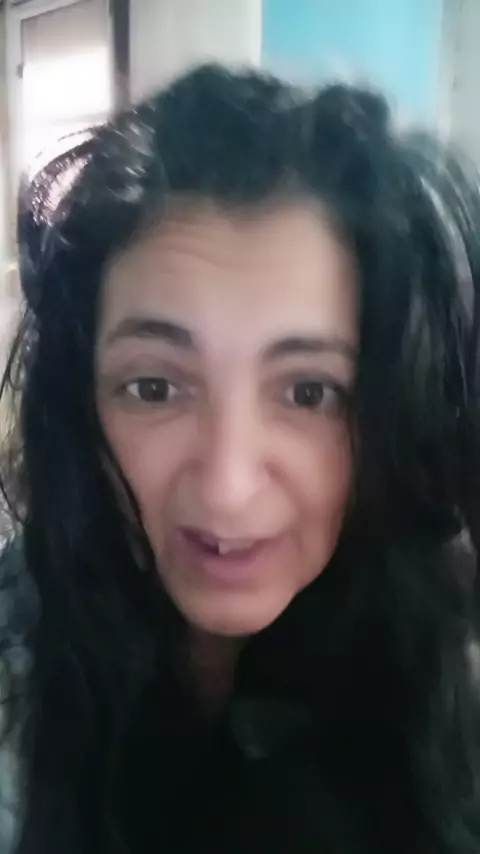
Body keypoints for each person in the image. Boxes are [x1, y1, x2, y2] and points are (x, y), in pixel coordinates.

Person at [0, 63, 479, 854]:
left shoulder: (453, 677)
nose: (226, 489)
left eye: (310, 393)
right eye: (154, 387)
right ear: (81, 402)